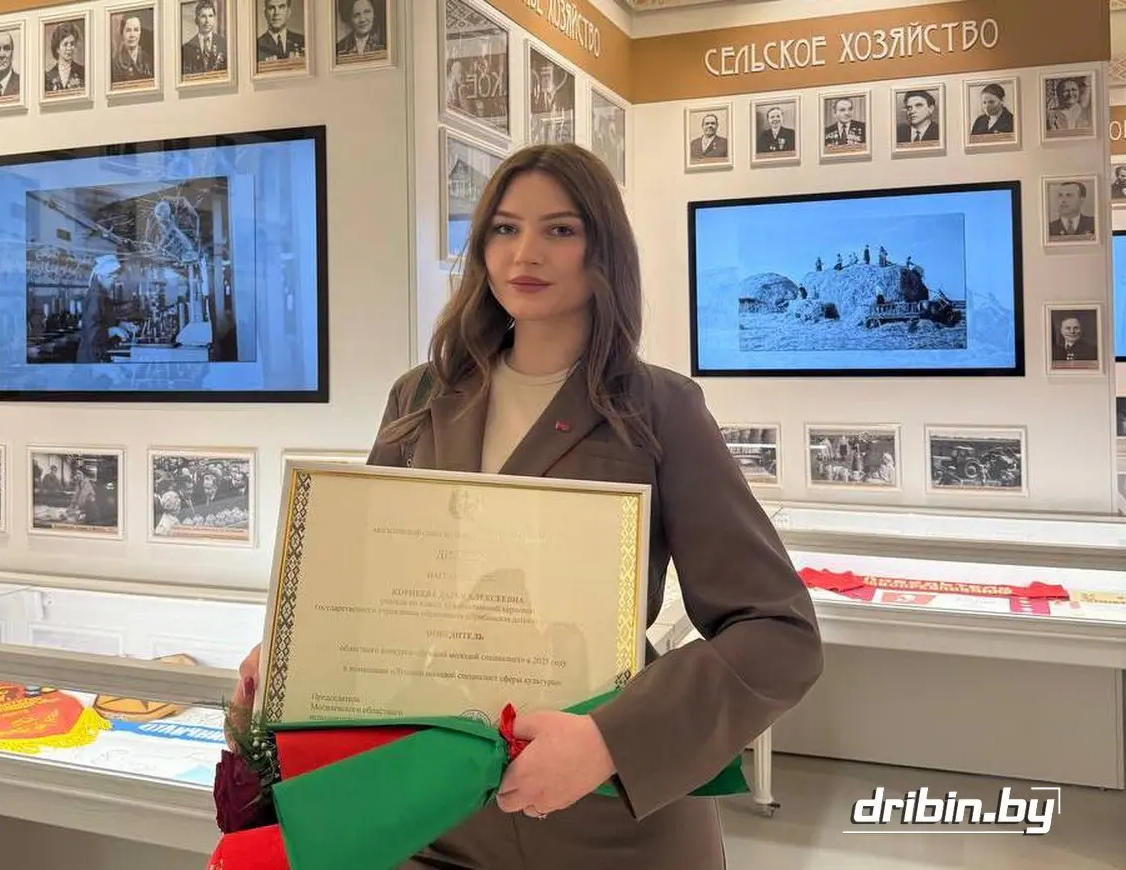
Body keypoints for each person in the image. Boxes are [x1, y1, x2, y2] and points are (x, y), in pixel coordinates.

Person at [225, 144, 822, 868]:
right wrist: (293, 654)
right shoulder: (421, 397)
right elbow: (371, 585)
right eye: (505, 228)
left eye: (559, 230)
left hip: (609, 825)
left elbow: (778, 633)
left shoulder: (659, 408)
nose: (525, 253)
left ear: (603, 251)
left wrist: (609, 741)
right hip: (437, 814)